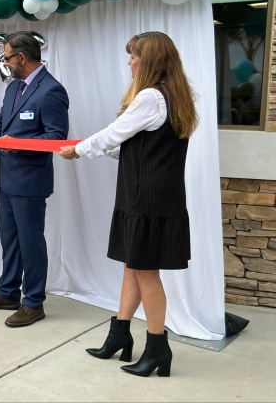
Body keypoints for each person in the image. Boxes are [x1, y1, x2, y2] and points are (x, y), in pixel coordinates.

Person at [59, 32, 198, 378]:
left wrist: (79, 149)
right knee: (132, 267)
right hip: (150, 194)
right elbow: (130, 145)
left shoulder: (151, 96)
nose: (129, 61)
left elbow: (111, 135)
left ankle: (157, 347)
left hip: (145, 197)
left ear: (148, 60)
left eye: (134, 56)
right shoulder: (173, 95)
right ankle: (119, 335)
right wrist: (97, 146)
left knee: (146, 272)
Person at [0, 32, 69, 327]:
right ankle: (8, 291)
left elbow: (56, 139)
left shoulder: (51, 91)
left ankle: (33, 303)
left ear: (21, 58)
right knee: (9, 240)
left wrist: (19, 144)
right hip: (6, 176)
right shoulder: (13, 88)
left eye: (7, 58)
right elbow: (2, 122)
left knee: (30, 242)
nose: (6, 63)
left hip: (30, 181)